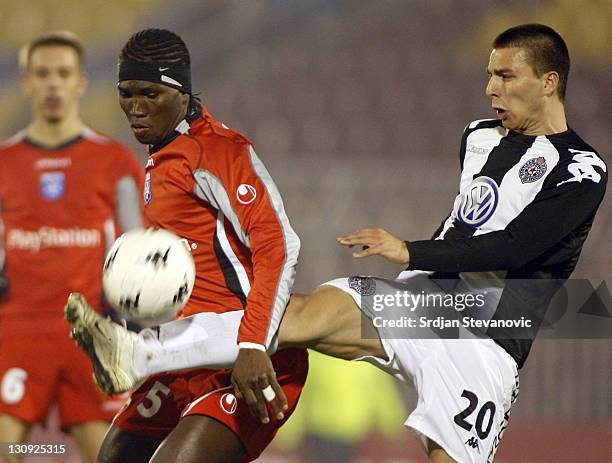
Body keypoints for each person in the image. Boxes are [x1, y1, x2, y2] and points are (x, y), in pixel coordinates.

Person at [66, 24, 607, 463]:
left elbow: (517, 248)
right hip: (425, 304)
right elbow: (469, 219)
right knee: (296, 316)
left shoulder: (583, 168)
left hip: (489, 335)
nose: (491, 88)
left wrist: (412, 252)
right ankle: (135, 351)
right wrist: (421, 268)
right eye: (489, 74)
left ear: (549, 81)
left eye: (506, 76)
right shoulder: (479, 137)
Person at [68, 29, 308, 463]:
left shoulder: (216, 151)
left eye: (150, 94)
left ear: (181, 93)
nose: (136, 109)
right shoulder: (163, 153)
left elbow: (279, 243)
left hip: (248, 359)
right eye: (127, 94)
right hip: (185, 356)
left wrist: (253, 345)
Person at [0, 31, 143, 463]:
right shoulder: (4, 162)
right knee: (9, 449)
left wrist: (131, 318)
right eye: (42, 74)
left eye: (63, 74)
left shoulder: (115, 161)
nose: (53, 84)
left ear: (81, 81)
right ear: (27, 82)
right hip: (17, 330)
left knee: (100, 454)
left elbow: (138, 249)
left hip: (92, 331)